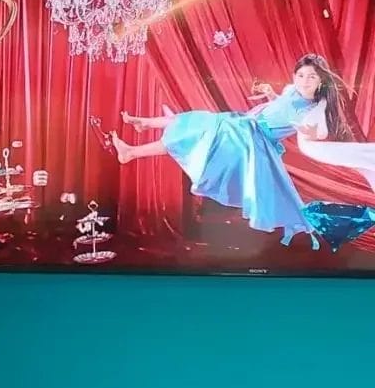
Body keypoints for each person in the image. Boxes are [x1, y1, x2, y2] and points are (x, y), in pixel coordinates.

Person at [110, 54, 347, 245]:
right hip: (245, 122)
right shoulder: (290, 90)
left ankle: (135, 144)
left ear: (321, 81)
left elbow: (320, 131)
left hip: (252, 140)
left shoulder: (314, 107)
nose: (304, 81)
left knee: (195, 128)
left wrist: (309, 132)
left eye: (311, 77)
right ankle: (138, 138)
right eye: (301, 75)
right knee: (195, 124)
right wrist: (270, 94)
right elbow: (281, 105)